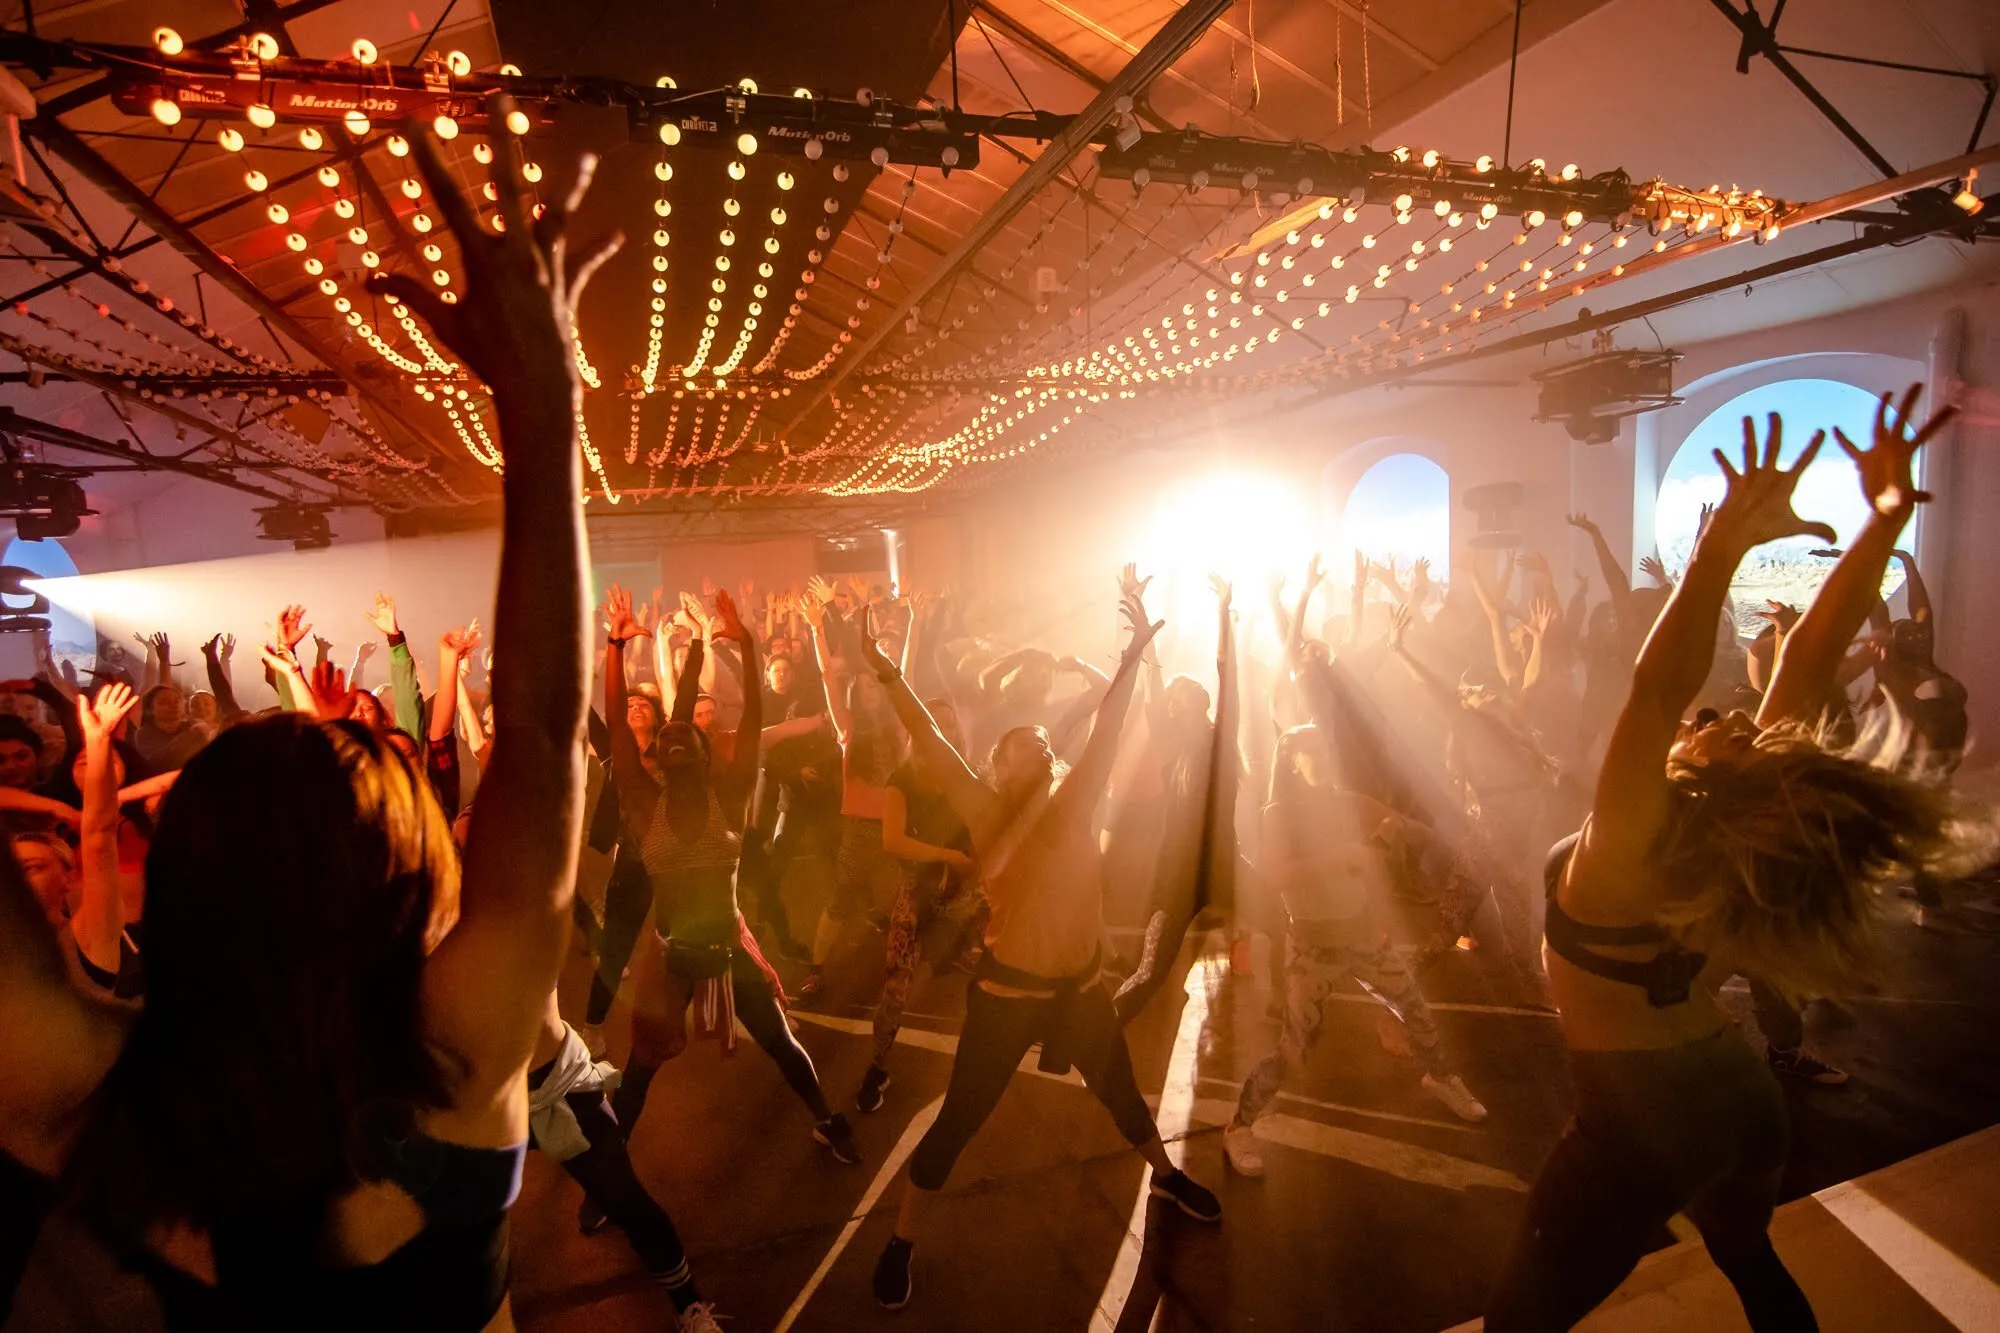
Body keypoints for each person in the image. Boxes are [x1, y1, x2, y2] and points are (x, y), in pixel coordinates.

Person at [0, 97, 617, 1328]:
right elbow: (547, 733)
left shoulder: (94, 1096)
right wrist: (540, 399)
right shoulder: (459, 1052)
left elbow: (541, 734)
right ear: (398, 875)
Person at [1485, 390, 1962, 1332]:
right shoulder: (1731, 840)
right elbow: (1812, 664)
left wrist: (1720, 548)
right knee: (1749, 1262)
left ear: (1709, 771)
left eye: (1734, 731)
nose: (1732, 716)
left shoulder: (1627, 841)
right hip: (1738, 1097)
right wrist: (1886, 520)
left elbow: (1659, 687)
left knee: (1514, 1324)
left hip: (1635, 1121)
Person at [862, 581, 1221, 1312]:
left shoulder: (1074, 800)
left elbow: (1111, 729)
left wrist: (1134, 652)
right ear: (998, 767)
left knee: (1122, 1094)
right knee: (958, 1121)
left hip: (1080, 993)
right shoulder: (985, 810)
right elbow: (929, 737)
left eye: (1044, 745)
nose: (1041, 748)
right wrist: (887, 670)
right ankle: (901, 1239)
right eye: (1022, 746)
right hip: (1006, 999)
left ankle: (1165, 1173)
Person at [600, 585, 860, 1165]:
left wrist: (743, 644)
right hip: (670, 959)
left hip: (727, 948)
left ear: (703, 749)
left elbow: (755, 719)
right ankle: (612, 1170)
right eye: (662, 735)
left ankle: (828, 1120)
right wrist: (615, 648)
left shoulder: (734, 793)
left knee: (782, 1045)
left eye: (681, 732)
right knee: (640, 1071)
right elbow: (618, 722)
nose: (668, 736)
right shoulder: (644, 802)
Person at [1223, 723, 1487, 1178]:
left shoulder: (1348, 802)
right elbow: (1275, 873)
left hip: (1363, 937)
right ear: (1292, 761)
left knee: (1417, 1013)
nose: (1324, 759)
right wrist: (1344, 856)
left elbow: (1398, 823)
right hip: (1314, 947)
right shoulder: (1279, 812)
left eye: (1327, 749)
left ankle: (1441, 1078)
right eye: (1313, 753)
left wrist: (1403, 833)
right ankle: (1239, 1127)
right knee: (1296, 1048)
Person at [854, 694, 985, 1113]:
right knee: (897, 981)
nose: (940, 731)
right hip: (921, 888)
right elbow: (893, 840)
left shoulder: (968, 774)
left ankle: (995, 1058)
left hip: (967, 890)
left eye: (947, 724)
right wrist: (947, 857)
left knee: (996, 970)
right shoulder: (904, 777)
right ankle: (876, 1067)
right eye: (931, 723)